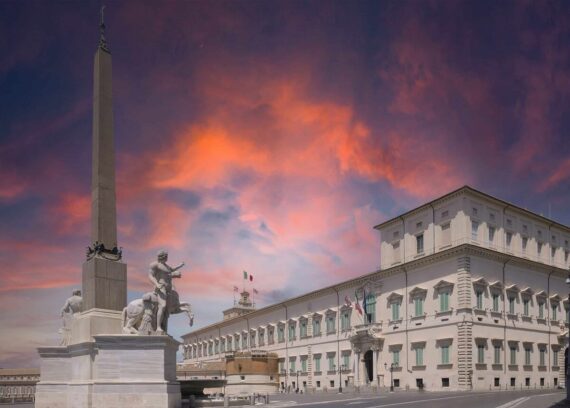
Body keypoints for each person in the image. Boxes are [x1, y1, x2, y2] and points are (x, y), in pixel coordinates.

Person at [148, 250, 185, 334]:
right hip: (161, 287)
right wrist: (156, 284)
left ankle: (164, 327)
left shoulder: (166, 266)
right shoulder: (155, 264)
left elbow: (172, 269)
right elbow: (150, 275)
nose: (167, 257)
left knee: (167, 310)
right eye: (166, 256)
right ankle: (158, 327)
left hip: (169, 289)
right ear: (162, 256)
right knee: (163, 306)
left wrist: (180, 265)